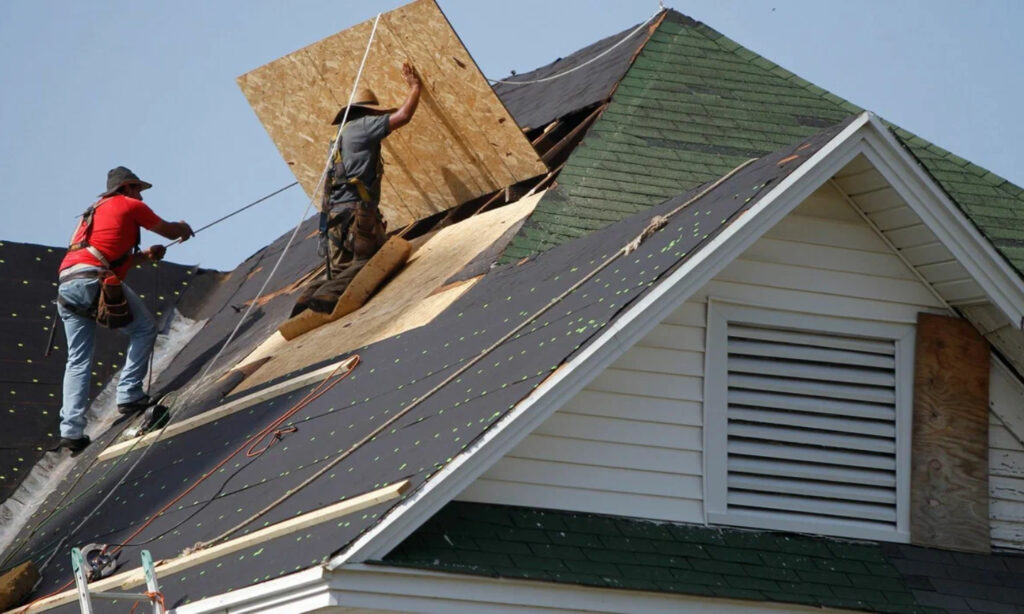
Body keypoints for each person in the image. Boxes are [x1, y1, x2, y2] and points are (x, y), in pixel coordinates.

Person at [55, 167, 193, 453]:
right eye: (138, 189)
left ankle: (71, 431)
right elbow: (167, 229)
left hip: (68, 285)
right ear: (128, 187)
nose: (141, 195)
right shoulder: (129, 204)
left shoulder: (91, 214)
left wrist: (145, 256)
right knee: (144, 329)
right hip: (93, 278)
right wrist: (182, 229)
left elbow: (107, 256)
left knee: (77, 360)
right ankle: (129, 394)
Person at [292, 62, 421, 316]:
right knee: (368, 261)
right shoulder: (363, 127)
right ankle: (328, 296)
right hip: (356, 212)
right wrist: (415, 87)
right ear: (366, 113)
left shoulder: (338, 137)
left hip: (334, 216)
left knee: (339, 267)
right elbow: (403, 117)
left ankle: (309, 295)